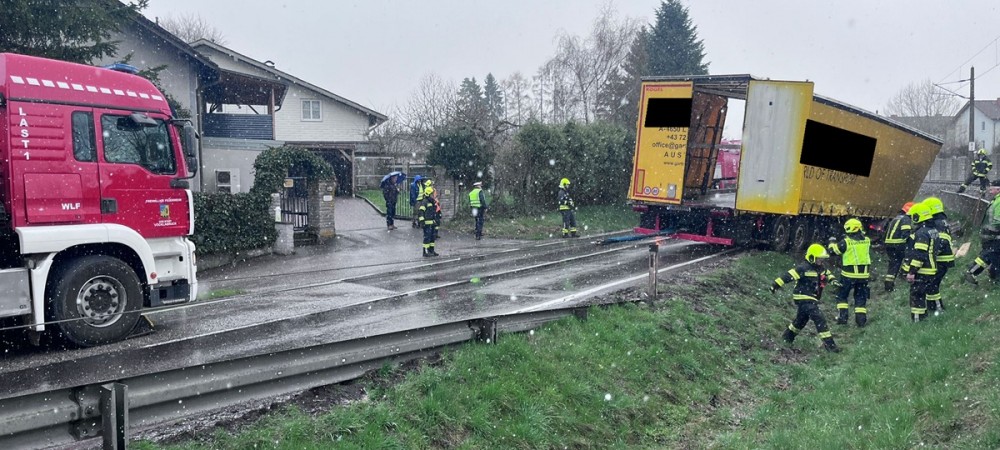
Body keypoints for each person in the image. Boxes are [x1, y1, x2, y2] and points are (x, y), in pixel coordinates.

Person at [769, 243, 841, 353]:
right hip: (803, 297)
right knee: (819, 318)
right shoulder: (803, 268)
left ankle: (787, 338)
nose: (821, 262)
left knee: (800, 321)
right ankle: (831, 347)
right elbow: (788, 276)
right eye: (819, 259)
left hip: (811, 298)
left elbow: (828, 274)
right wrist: (775, 284)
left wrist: (833, 281)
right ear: (812, 258)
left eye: (822, 259)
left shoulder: (820, 268)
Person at [901, 203, 942, 322]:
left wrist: (912, 271)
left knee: (917, 296)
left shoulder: (921, 233)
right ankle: (932, 314)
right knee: (928, 292)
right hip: (932, 269)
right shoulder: (933, 230)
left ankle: (918, 321)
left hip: (923, 271)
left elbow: (920, 254)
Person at [828, 218, 872, 327]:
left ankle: (843, 318)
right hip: (864, 275)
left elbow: (833, 251)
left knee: (842, 296)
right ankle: (861, 320)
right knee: (860, 297)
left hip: (848, 275)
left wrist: (832, 241)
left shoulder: (846, 242)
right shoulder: (867, 240)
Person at [922, 197, 955, 315]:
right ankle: (933, 307)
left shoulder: (937, 223)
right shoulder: (941, 221)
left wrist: (930, 253)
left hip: (940, 260)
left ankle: (938, 309)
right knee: (932, 284)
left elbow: (941, 241)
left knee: (932, 284)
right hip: (944, 259)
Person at [964, 192, 1000, 284]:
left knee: (992, 255)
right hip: (994, 234)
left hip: (989, 233)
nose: (990, 189)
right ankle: (973, 271)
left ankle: (993, 276)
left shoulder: (995, 200)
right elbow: (997, 220)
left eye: (992, 187)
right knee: (989, 255)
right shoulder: (997, 200)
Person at [883, 202, 914, 292]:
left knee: (894, 263)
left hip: (889, 245)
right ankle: (903, 274)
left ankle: (888, 284)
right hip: (899, 244)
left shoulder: (895, 218)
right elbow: (905, 234)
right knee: (910, 257)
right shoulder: (906, 219)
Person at [418, 184, 440, 257]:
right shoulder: (425, 202)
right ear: (428, 194)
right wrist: (422, 221)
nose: (433, 195)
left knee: (432, 237)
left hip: (432, 223)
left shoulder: (432, 202)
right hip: (427, 224)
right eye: (431, 194)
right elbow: (421, 212)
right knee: (427, 237)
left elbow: (434, 212)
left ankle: (431, 250)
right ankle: (425, 251)